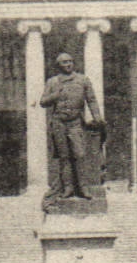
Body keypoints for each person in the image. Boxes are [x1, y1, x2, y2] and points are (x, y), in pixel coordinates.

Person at [38, 51, 102, 203]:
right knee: (64, 157)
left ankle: (83, 187)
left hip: (75, 122)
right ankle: (68, 188)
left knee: (79, 154)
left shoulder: (83, 80)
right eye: (64, 63)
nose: (68, 65)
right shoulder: (52, 82)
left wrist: (97, 117)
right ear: (58, 65)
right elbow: (43, 102)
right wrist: (55, 95)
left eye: (70, 62)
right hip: (59, 122)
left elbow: (91, 100)